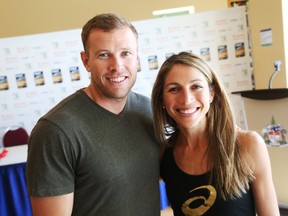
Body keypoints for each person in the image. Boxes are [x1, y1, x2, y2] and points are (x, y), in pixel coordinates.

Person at [26, 13, 160, 216]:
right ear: (86, 60)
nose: (117, 66)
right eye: (104, 55)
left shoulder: (150, 112)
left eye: (125, 53)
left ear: (137, 57)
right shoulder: (55, 131)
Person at [151, 52, 280, 216]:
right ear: (162, 99)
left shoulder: (247, 144)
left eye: (196, 86)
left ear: (212, 93)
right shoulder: (162, 154)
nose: (186, 99)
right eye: (174, 89)